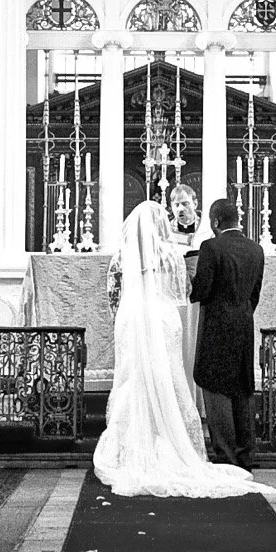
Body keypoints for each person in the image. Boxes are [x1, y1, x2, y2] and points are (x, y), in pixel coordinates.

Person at [96, 199, 255, 498]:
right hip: (166, 318)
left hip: (134, 318)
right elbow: (183, 292)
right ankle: (174, 440)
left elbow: (113, 293)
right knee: (167, 377)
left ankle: (129, 445)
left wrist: (123, 316)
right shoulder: (171, 254)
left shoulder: (122, 256)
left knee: (134, 377)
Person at [188, 195, 265, 472]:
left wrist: (190, 279)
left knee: (214, 385)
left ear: (215, 222)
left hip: (216, 325)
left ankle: (226, 456)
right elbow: (255, 292)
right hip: (244, 323)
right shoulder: (256, 249)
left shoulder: (211, 247)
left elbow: (202, 290)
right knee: (242, 387)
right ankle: (246, 455)